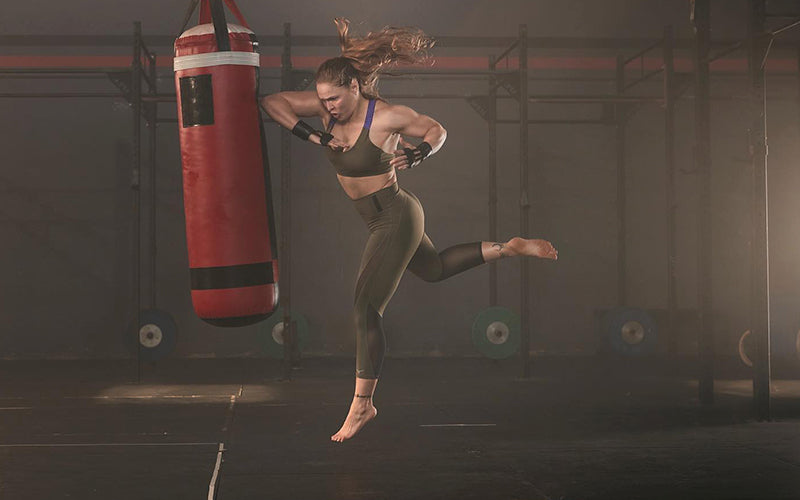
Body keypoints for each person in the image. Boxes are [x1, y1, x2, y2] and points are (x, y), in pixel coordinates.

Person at [260, 18, 558, 443]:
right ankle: (507, 248)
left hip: (395, 214)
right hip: (380, 216)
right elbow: (272, 102)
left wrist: (419, 154)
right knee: (433, 268)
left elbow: (438, 130)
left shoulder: (385, 117)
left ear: (356, 89)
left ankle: (363, 404)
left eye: (335, 99)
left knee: (365, 308)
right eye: (323, 100)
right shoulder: (322, 113)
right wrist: (316, 138)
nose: (328, 108)